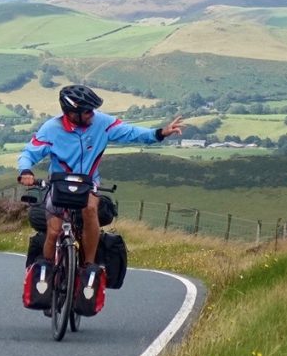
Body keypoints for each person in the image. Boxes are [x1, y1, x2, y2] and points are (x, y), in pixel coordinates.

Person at [17, 85, 184, 268]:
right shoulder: (51, 128)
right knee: (54, 230)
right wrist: (26, 171)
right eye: (87, 111)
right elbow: (29, 153)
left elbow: (130, 132)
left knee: (90, 209)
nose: (92, 115)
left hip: (88, 183)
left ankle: (89, 266)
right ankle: (46, 272)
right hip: (59, 184)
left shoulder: (102, 123)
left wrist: (159, 133)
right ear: (72, 113)